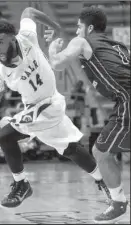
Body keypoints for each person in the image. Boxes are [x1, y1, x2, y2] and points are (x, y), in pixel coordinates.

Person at [0, 7, 111, 210]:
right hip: (35, 110)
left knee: (5, 135)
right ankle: (102, 181)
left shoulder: (26, 36)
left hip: (50, 102)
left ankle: (21, 184)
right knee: (71, 149)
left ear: (12, 38)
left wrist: (55, 27)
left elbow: (28, 11)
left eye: (0, 41)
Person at [45, 6, 130, 224]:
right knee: (104, 151)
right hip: (124, 100)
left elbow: (57, 63)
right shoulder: (118, 46)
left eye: (78, 27)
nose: (76, 31)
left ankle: (118, 203)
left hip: (127, 100)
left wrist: (52, 48)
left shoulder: (83, 42)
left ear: (89, 28)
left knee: (100, 152)